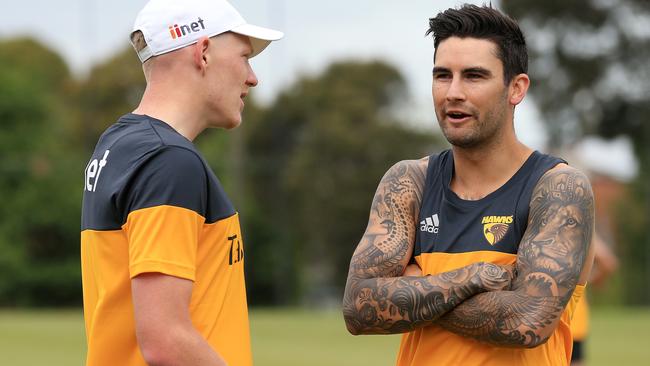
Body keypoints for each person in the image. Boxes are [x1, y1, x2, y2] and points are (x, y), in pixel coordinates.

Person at [342, 4, 595, 366]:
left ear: (516, 88)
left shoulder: (557, 187)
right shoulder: (409, 181)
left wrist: (416, 287)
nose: (453, 93)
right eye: (443, 75)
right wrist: (478, 277)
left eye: (474, 76)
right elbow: (358, 308)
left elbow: (527, 321)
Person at [80, 0, 282, 365]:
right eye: (244, 56)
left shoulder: (118, 144)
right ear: (203, 52)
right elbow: (164, 341)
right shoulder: (168, 161)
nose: (252, 77)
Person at [571, 232, 619, 366]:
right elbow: (608, 261)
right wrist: (589, 280)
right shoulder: (581, 228)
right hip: (573, 318)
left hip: (545, 318)